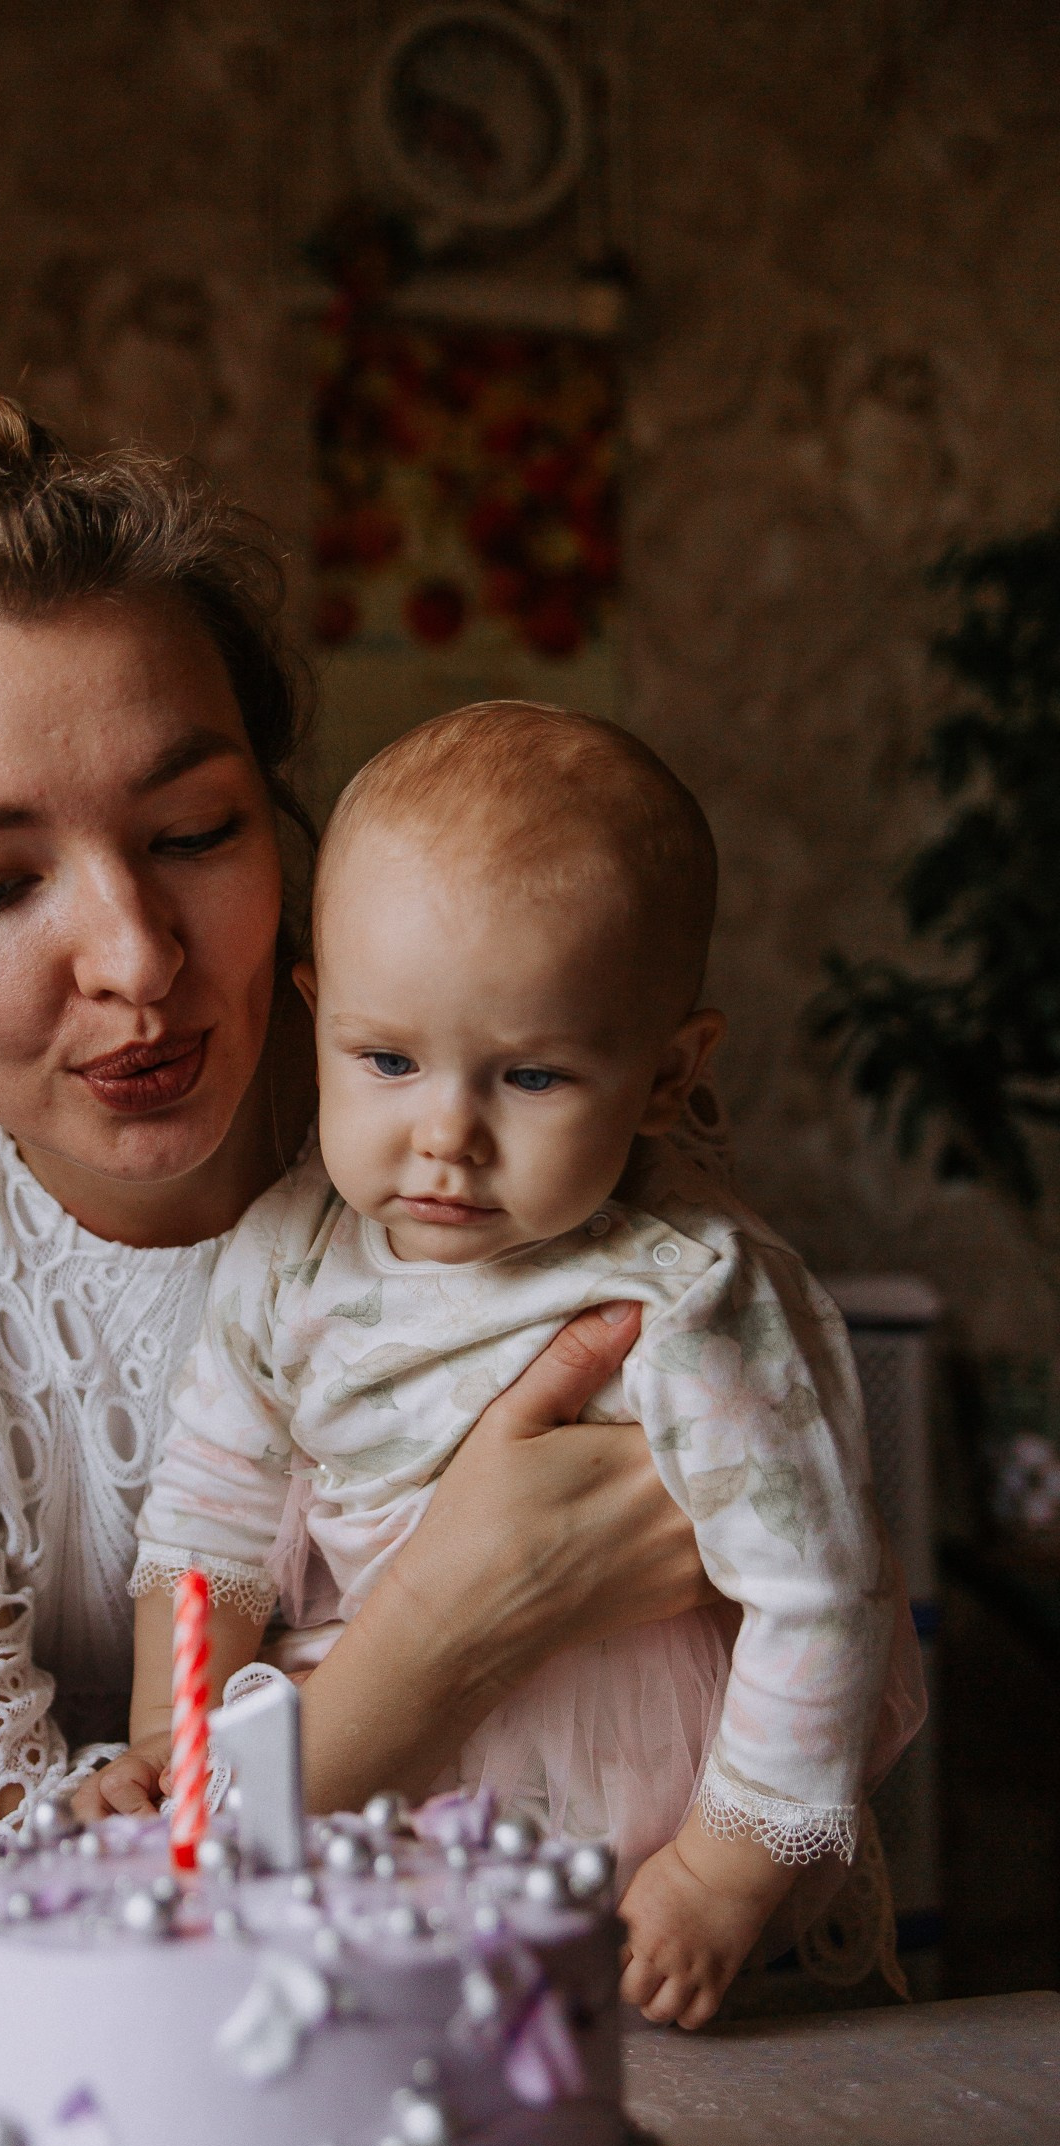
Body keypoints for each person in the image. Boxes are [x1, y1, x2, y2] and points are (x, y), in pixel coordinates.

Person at [0, 394, 738, 2112]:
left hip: (475, 2060)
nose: (139, 959)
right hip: (45, 2138)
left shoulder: (465, 1113)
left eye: (195, 833)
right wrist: (445, 1631)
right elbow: (22, 1971)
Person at [96, 703, 926, 2030]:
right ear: (319, 1019)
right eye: (386, 1060)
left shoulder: (686, 1296)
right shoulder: (291, 1256)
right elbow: (208, 1525)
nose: (446, 1137)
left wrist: (722, 1875)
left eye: (530, 1077)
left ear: (665, 1077)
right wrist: (170, 1741)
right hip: (375, 1807)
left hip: (632, 1835)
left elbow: (820, 1596)